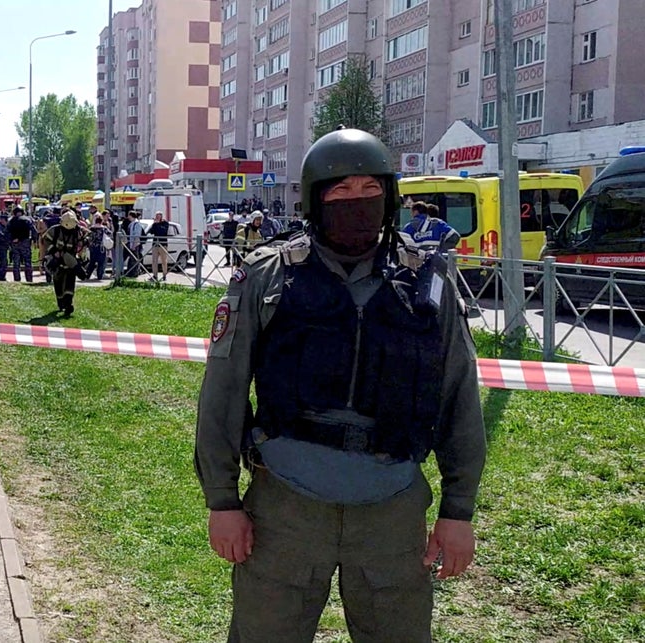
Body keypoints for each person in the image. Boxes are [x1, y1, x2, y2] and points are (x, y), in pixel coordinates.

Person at [194, 127, 486, 642]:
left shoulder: (426, 283)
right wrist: (222, 501)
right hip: (286, 509)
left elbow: (459, 394)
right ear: (314, 200)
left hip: (392, 512)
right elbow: (223, 391)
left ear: (390, 197)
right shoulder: (267, 278)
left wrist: (458, 510)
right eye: (340, 192)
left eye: (370, 190)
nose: (357, 203)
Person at [42, 211, 89, 315]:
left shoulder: (78, 232)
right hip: (56, 261)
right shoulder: (54, 230)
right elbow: (45, 242)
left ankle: (68, 304)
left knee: (70, 282)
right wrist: (54, 252)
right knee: (58, 282)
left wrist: (85, 241)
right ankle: (61, 303)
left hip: (70, 261)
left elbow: (85, 239)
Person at [6, 206, 36, 282]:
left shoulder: (11, 221)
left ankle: (17, 279)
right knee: (27, 261)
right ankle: (29, 278)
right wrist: (34, 240)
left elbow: (6, 232)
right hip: (25, 242)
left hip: (14, 243)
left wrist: (11, 241)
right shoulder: (28, 220)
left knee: (16, 262)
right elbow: (33, 231)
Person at [148, 211, 172, 282]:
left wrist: (158, 224)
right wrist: (154, 224)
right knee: (154, 260)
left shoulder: (165, 223)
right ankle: (155, 275)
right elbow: (151, 232)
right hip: (155, 244)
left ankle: (164, 275)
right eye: (157, 216)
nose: (158, 217)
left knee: (164, 261)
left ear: (161, 216)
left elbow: (162, 232)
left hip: (163, 244)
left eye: (159, 216)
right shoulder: (155, 224)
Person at [84, 215, 109, 281]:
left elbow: (87, 236)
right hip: (101, 247)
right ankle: (99, 276)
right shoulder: (104, 228)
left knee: (92, 262)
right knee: (101, 262)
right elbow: (109, 234)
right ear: (101, 221)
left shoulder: (91, 228)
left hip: (93, 247)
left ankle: (87, 275)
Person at [123, 210, 144, 277]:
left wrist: (134, 245)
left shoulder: (136, 224)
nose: (128, 217)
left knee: (134, 259)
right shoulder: (132, 223)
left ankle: (134, 273)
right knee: (132, 259)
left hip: (135, 245)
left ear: (131, 215)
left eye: (129, 215)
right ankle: (131, 272)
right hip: (131, 244)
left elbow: (137, 235)